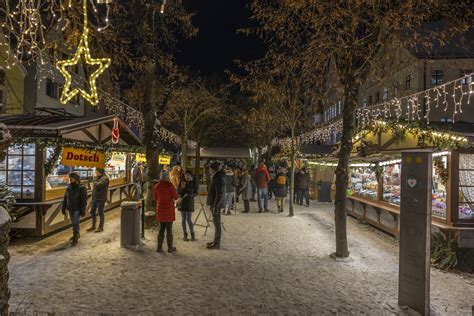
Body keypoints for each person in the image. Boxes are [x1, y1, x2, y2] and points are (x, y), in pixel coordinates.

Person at [154, 170, 179, 253]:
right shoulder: (170, 186)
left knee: (161, 229)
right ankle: (170, 247)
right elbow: (175, 197)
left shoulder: (156, 186)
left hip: (160, 209)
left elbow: (155, 198)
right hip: (168, 209)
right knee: (169, 229)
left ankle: (159, 248)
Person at [61, 173, 87, 246]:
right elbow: (65, 198)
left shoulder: (81, 187)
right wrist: (64, 207)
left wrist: (83, 210)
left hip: (77, 208)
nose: (70, 179)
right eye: (70, 178)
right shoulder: (69, 187)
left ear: (76, 179)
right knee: (73, 222)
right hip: (70, 208)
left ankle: (75, 237)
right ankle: (76, 234)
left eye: (72, 178)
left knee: (75, 222)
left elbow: (84, 200)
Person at [206, 161, 225, 249]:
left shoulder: (218, 178)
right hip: (214, 204)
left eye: (210, 168)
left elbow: (219, 194)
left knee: (217, 224)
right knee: (215, 222)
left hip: (216, 205)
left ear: (214, 169)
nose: (209, 170)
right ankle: (215, 241)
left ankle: (217, 243)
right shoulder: (216, 177)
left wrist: (216, 206)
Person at [88, 168, 110, 233]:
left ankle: (100, 227)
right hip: (95, 198)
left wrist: (94, 179)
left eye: (96, 171)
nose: (95, 173)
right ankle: (93, 225)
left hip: (101, 198)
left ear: (99, 172)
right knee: (92, 211)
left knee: (100, 213)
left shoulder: (105, 178)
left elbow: (97, 185)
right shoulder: (98, 177)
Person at [178, 170, 197, 242]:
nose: (187, 177)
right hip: (182, 202)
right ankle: (185, 234)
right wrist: (182, 188)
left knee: (189, 219)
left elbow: (196, 193)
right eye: (186, 175)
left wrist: (189, 195)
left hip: (189, 202)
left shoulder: (194, 183)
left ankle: (192, 234)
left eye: (188, 175)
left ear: (191, 176)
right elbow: (178, 192)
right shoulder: (182, 182)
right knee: (183, 219)